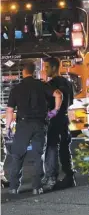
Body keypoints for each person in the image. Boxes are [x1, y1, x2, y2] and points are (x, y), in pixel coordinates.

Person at [6, 62, 62, 195]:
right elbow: (58, 94)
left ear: (23, 72)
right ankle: (37, 187)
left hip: (23, 125)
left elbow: (9, 110)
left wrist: (8, 127)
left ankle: (14, 187)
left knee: (17, 155)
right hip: (40, 124)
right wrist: (55, 110)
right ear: (34, 71)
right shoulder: (42, 85)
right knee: (38, 156)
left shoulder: (16, 89)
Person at [43, 57, 76, 190]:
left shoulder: (51, 84)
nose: (45, 70)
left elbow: (48, 102)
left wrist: (51, 112)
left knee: (51, 146)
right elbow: (72, 101)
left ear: (54, 68)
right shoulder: (68, 83)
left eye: (47, 68)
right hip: (64, 117)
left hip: (54, 118)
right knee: (64, 146)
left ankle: (52, 178)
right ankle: (69, 176)